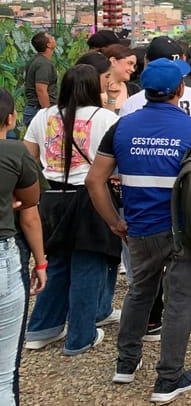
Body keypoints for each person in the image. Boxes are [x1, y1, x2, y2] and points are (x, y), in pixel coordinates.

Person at [86, 57, 191, 405]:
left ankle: (126, 363)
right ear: (180, 90)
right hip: (186, 231)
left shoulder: (122, 126)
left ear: (146, 91)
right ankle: (168, 379)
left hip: (140, 229)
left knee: (139, 292)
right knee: (179, 301)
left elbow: (95, 180)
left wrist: (113, 220)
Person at [23, 65, 120, 355]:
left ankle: (41, 329)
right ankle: (80, 336)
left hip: (51, 197)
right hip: (90, 197)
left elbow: (29, 157)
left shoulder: (43, 116)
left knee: (57, 263)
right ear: (94, 87)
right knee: (88, 265)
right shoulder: (104, 117)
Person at [0, 88, 46, 405]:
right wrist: (40, 262)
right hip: (3, 259)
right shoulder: (14, 154)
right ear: (10, 118)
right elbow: (29, 209)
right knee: (3, 375)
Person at [23, 32, 57, 129]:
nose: (53, 37)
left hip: (34, 110)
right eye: (51, 37)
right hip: (38, 111)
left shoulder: (36, 60)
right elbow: (41, 90)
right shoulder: (43, 64)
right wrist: (47, 113)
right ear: (48, 45)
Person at [102, 43, 137, 114]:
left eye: (134, 66)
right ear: (113, 61)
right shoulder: (93, 88)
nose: (133, 69)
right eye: (130, 63)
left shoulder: (134, 89)